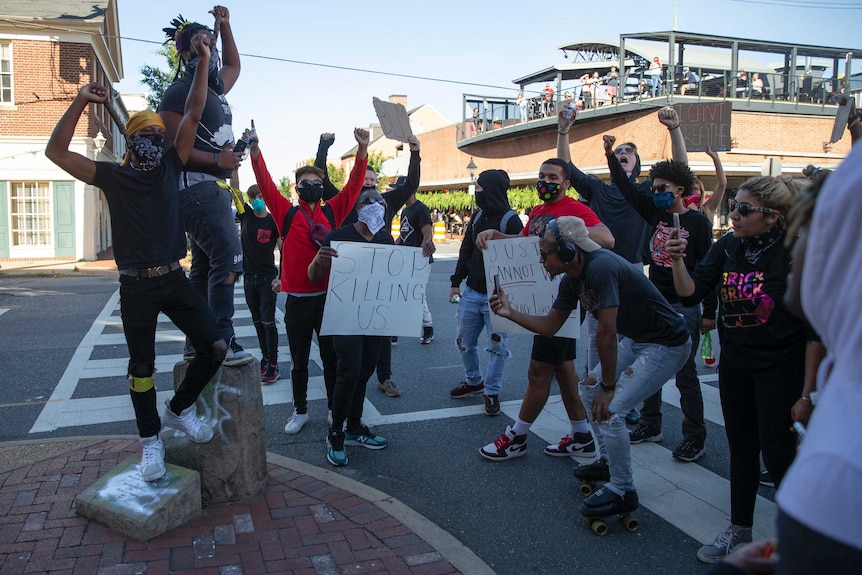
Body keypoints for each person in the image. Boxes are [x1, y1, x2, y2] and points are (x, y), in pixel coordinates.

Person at [45, 35, 226, 482]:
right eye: (145, 135)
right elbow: (56, 152)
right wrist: (81, 100)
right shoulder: (112, 176)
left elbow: (195, 111)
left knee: (216, 347)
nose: (154, 141)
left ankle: (179, 408)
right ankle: (150, 443)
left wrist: (203, 60)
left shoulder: (171, 165)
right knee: (141, 369)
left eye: (158, 136)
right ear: (131, 140)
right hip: (136, 287)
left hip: (173, 279)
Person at [489, 216, 689, 519]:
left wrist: (609, 388)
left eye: (545, 253)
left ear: (568, 250)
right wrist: (510, 312)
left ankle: (624, 489)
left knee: (610, 410)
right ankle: (609, 463)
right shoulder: (572, 279)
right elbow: (551, 325)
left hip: (666, 344)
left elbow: (606, 333)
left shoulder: (601, 267)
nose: (541, 260)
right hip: (639, 340)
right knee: (587, 389)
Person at [665, 176, 815, 564]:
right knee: (742, 450)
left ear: (772, 217)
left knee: (780, 455)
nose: (734, 214)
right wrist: (678, 260)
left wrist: (806, 394)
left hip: (782, 369)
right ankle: (739, 529)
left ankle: (795, 539)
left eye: (745, 210)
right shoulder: (729, 245)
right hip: (737, 365)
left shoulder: (796, 252)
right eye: (735, 205)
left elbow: (815, 331)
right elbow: (691, 292)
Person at [475, 158, 615, 462]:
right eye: (542, 176)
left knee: (538, 371)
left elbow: (606, 238)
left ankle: (517, 437)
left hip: (561, 303)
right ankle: (581, 436)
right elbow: (527, 244)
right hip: (544, 299)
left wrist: (570, 237)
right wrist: (497, 237)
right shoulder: (538, 212)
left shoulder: (575, 209)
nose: (545, 181)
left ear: (566, 184)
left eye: (553, 177)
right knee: (563, 371)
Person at [250, 127, 370, 435]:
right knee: (299, 360)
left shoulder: (333, 211)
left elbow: (354, 186)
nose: (314, 187)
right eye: (307, 184)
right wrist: (255, 152)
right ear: (296, 187)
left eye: (318, 183)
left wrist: (362, 151)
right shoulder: (286, 214)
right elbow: (264, 182)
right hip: (298, 301)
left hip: (330, 299)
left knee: (331, 359)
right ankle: (300, 410)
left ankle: (333, 409)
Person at [605, 138, 713, 462]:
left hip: (686, 307)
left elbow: (709, 269)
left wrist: (710, 312)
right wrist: (610, 156)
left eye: (663, 187)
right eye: (653, 187)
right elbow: (626, 189)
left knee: (685, 374)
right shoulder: (655, 212)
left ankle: (695, 437)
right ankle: (651, 424)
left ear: (680, 190)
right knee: (648, 367)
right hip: (657, 305)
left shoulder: (698, 223)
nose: (656, 192)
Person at [557, 107, 689, 372]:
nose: (622, 153)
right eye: (618, 151)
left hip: (632, 270)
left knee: (630, 336)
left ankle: (623, 397)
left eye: (628, 151)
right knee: (598, 337)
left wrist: (674, 129)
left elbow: (679, 171)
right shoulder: (597, 189)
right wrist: (563, 130)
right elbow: (566, 169)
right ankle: (595, 386)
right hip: (598, 270)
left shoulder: (643, 192)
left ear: (636, 164)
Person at [158, 9, 252, 367]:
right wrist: (217, 162)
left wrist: (226, 27)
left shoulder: (214, 88)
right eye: (202, 46)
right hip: (196, 188)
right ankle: (222, 337)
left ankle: (197, 340)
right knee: (229, 259)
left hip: (213, 187)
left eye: (211, 45)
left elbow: (234, 67)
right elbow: (172, 150)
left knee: (203, 267)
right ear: (185, 54)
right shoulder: (179, 91)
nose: (210, 52)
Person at [316, 134, 429, 397]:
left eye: (372, 181)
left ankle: (385, 378)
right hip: (351, 277)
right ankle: (349, 377)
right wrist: (324, 147)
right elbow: (322, 179)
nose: (368, 185)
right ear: (355, 183)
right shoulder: (344, 199)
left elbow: (412, 182)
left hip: (380, 275)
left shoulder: (386, 200)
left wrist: (415, 153)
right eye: (364, 180)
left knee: (383, 326)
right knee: (351, 330)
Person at [308, 188, 393, 466]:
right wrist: (319, 260)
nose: (376, 206)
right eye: (370, 202)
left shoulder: (385, 237)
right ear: (358, 208)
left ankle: (355, 428)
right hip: (344, 314)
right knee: (348, 371)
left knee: (365, 371)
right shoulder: (338, 236)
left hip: (373, 314)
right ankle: (336, 432)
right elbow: (313, 276)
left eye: (380, 202)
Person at [449, 170, 523, 416]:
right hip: (471, 291)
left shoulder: (511, 220)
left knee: (498, 347)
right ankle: (474, 381)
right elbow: (466, 249)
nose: (476, 191)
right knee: (464, 342)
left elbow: (525, 250)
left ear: (490, 189)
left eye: (479, 187)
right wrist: (455, 282)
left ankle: (491, 391)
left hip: (498, 296)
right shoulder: (478, 216)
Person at [237, 184, 280, 384]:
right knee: (257, 321)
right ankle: (265, 357)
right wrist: (234, 167)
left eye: (260, 196)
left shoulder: (274, 222)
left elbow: (284, 249)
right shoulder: (246, 215)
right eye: (253, 196)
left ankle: (273, 362)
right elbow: (234, 190)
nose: (257, 199)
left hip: (267, 278)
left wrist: (282, 277)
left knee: (268, 321)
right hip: (249, 278)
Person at [398, 190, 435, 345]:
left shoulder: (420, 209)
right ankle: (395, 329)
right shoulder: (404, 211)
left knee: (417, 294)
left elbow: (427, 232)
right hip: (406, 259)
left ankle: (428, 328)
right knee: (400, 293)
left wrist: (425, 245)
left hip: (420, 259)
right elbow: (404, 235)